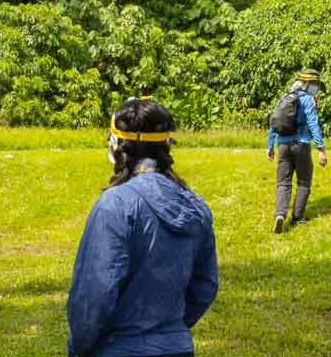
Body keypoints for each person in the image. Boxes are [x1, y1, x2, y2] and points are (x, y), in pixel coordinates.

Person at [67, 99, 219, 357]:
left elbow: (94, 296)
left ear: (117, 145)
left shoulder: (114, 205)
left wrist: (78, 349)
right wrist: (170, 332)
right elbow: (205, 285)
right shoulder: (195, 205)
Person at [266, 68, 328, 234]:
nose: (316, 88)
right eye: (315, 84)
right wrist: (321, 148)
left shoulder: (284, 97)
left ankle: (280, 214)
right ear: (308, 84)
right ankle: (298, 217)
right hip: (301, 144)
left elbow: (274, 122)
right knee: (304, 181)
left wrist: (270, 145)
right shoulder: (307, 99)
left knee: (283, 182)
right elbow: (313, 124)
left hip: (283, 145)